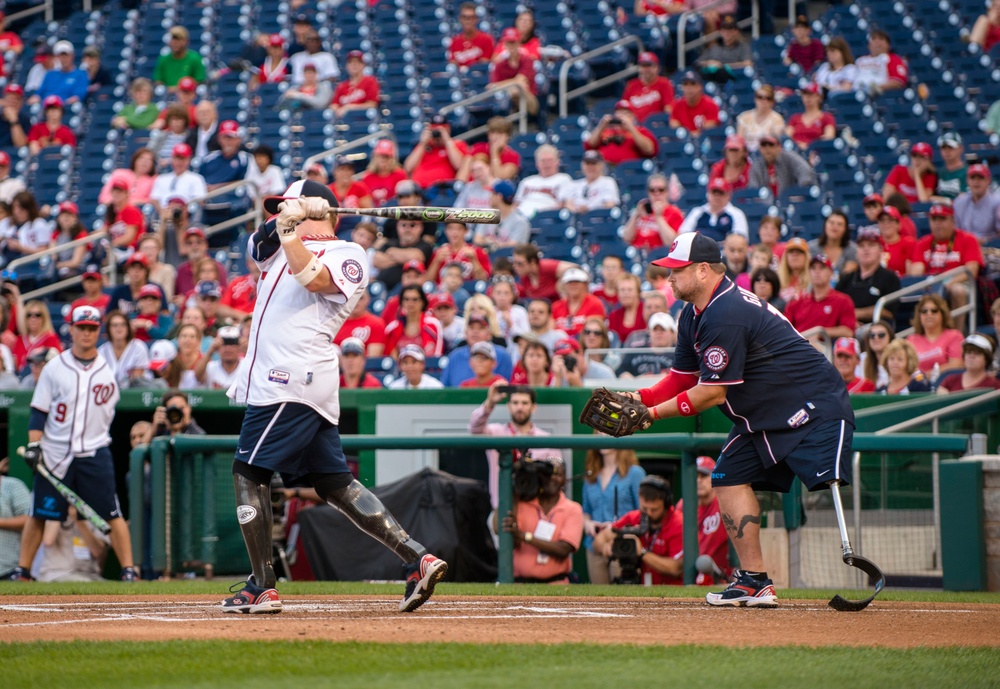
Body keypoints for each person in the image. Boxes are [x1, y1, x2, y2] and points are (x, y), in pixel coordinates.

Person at [224, 179, 447, 613]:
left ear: (320, 213)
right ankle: (418, 558)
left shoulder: (349, 254)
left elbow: (314, 279)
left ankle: (261, 585)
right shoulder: (274, 246)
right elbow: (255, 245)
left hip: (290, 378)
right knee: (334, 483)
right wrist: (286, 220)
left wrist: (295, 230)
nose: (278, 216)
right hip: (294, 380)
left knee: (248, 473)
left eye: (288, 208)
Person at [622, 231, 855, 606]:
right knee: (727, 476)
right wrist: (639, 397)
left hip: (811, 406)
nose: (668, 278)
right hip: (764, 414)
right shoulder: (693, 313)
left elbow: (712, 392)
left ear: (701, 271)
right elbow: (683, 377)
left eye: (675, 270)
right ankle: (754, 581)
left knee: (824, 484)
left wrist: (648, 415)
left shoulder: (726, 313)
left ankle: (755, 581)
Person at [5, 306, 138, 583]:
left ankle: (128, 569)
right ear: (72, 329)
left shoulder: (107, 370)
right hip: (55, 453)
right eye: (82, 327)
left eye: (91, 328)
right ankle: (23, 570)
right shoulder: (54, 367)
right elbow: (38, 412)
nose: (87, 333)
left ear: (97, 330)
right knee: (39, 512)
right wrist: (34, 446)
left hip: (94, 451)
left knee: (112, 513)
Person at [469, 382, 562, 512]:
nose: (520, 407)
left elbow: (558, 471)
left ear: (533, 407)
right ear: (509, 406)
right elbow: (474, 428)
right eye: (515, 403)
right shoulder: (495, 432)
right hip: (502, 508)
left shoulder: (547, 439)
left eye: (524, 403)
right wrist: (490, 403)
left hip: (536, 509)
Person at [500, 454, 583, 584]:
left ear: (564, 480)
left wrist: (524, 536)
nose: (552, 478)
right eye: (547, 474)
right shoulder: (522, 504)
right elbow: (512, 541)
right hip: (520, 585)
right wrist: (516, 490)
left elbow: (563, 549)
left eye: (558, 474)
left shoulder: (573, 509)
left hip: (556, 585)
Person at [592, 475, 684, 585]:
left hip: (672, 591)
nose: (649, 513)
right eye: (644, 508)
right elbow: (600, 539)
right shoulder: (634, 517)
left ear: (666, 505)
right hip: (644, 587)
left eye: (654, 510)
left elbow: (676, 568)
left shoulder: (678, 523)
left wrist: (642, 553)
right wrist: (605, 547)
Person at [580, 443, 645, 584]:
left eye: (607, 431)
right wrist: (588, 523)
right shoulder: (590, 474)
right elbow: (586, 511)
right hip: (594, 545)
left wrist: (618, 526)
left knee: (623, 597)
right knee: (600, 599)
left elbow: (643, 512)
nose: (603, 438)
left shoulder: (634, 473)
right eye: (599, 433)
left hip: (623, 545)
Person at [908, 203, 984, 319]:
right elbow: (916, 272)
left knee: (957, 290)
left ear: (952, 221)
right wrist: (931, 284)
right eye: (934, 219)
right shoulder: (923, 242)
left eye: (942, 219)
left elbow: (971, 271)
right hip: (930, 284)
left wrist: (946, 284)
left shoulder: (968, 239)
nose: (938, 224)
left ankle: (957, 333)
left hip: (959, 282)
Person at [835, 226, 899, 326]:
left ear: (880, 250)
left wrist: (853, 314)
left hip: (877, 329)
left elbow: (888, 312)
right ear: (856, 252)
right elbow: (835, 306)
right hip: (847, 328)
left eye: (871, 245)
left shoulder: (890, 277)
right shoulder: (846, 278)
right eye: (861, 246)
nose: (866, 249)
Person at [784, 254, 857, 342]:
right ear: (809, 272)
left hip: (825, 348)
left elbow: (848, 331)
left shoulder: (843, 300)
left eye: (822, 268)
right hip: (797, 346)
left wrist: (820, 332)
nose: (817, 272)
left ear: (831, 273)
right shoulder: (796, 301)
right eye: (813, 268)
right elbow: (784, 328)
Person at [440, 313, 513, 385]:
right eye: (471, 327)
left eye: (481, 328)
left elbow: (508, 387)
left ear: (489, 334)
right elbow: (444, 387)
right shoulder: (454, 356)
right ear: (466, 332)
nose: (475, 332)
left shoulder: (502, 355)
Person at [906, 293, 964, 377]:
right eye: (924, 311)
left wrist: (925, 376)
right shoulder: (911, 340)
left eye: (934, 310)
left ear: (942, 314)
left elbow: (956, 366)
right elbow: (906, 369)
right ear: (919, 315)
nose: (929, 314)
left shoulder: (954, 335)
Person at [404, 114, 470, 188]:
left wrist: (447, 141)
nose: (438, 134)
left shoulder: (456, 144)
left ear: (448, 129)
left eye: (442, 129)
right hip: (420, 190)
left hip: (444, 190)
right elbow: (408, 167)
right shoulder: (422, 146)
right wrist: (422, 143)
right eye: (434, 129)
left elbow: (460, 166)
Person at [623, 173, 685, 250]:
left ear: (667, 192)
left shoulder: (674, 212)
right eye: (652, 190)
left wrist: (658, 217)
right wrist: (636, 215)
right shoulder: (644, 209)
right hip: (638, 252)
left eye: (661, 190)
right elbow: (627, 238)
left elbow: (671, 243)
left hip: (659, 255)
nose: (656, 193)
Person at [585, 100, 658, 165]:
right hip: (604, 168)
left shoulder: (640, 131)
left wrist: (631, 128)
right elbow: (590, 145)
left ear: (632, 116)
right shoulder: (606, 131)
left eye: (625, 113)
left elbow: (649, 150)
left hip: (628, 170)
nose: (621, 115)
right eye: (619, 112)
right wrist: (601, 126)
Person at [677, 178, 749, 243]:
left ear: (728, 195)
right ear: (708, 194)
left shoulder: (736, 214)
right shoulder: (698, 211)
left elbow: (741, 240)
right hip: (698, 252)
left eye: (721, 193)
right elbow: (682, 235)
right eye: (714, 192)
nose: (717, 196)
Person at [488, 27, 539, 116]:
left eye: (514, 43)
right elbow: (492, 86)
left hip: (529, 99)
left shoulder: (527, 60)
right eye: (509, 43)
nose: (511, 46)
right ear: (504, 44)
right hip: (507, 99)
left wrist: (504, 85)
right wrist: (515, 84)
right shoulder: (500, 64)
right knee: (509, 95)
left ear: (519, 43)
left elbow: (521, 80)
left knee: (518, 91)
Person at [512, 145, 573, 218]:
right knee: (495, 215)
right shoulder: (526, 181)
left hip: (545, 217)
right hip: (521, 216)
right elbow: (515, 205)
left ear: (557, 162)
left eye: (550, 160)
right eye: (543, 161)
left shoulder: (564, 179)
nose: (547, 164)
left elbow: (563, 205)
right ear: (537, 164)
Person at [384, 285, 444, 357]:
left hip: (428, 367)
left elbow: (437, 354)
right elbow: (389, 357)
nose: (410, 303)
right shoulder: (392, 328)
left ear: (422, 302)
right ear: (401, 302)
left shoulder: (433, 324)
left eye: (415, 299)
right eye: (406, 299)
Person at [748, 134, 816, 198]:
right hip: (766, 203)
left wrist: (800, 191)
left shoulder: (789, 157)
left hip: (789, 200)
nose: (767, 148)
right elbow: (754, 188)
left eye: (771, 145)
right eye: (764, 145)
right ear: (760, 148)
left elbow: (805, 170)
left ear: (779, 147)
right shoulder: (757, 165)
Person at [98, 310, 151, 388]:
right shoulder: (102, 350)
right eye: (115, 325)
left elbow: (137, 379)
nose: (119, 328)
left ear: (128, 328)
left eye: (123, 325)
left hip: (135, 392)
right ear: (108, 329)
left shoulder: (138, 347)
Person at [617, 311, 677, 378]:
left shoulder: (678, 354)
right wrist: (632, 380)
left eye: (663, 329)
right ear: (649, 332)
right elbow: (620, 370)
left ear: (672, 332)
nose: (658, 333)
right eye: (655, 329)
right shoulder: (637, 351)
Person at [695, 14, 753, 83]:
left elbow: (748, 63)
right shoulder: (715, 47)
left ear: (736, 31)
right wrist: (709, 63)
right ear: (720, 32)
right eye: (724, 30)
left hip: (733, 79)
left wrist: (724, 66)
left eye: (730, 30)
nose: (727, 33)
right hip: (713, 80)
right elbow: (698, 62)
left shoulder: (742, 47)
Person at [854, 28, 909, 96]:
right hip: (855, 93)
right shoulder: (860, 60)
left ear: (888, 45)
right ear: (868, 45)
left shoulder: (893, 59)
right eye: (874, 39)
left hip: (879, 95)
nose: (877, 42)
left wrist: (876, 87)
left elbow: (898, 82)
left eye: (881, 39)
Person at [621, 51, 674, 122]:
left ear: (657, 67)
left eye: (649, 65)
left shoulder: (664, 83)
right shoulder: (632, 84)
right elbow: (623, 108)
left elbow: (668, 109)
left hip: (656, 125)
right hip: (634, 126)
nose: (646, 69)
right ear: (639, 68)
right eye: (643, 66)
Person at [552, 268, 606, 337]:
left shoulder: (595, 303)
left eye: (577, 281)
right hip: (559, 344)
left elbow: (593, 331)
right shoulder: (556, 306)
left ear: (585, 284)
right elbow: (550, 329)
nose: (573, 285)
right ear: (564, 285)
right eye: (569, 282)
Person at [954, 164, 1000, 245]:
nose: (976, 182)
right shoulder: (959, 202)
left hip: (991, 248)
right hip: (964, 247)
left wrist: (985, 240)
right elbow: (954, 231)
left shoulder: (997, 202)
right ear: (967, 180)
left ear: (988, 180)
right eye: (972, 178)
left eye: (980, 178)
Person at [33, 41, 88, 106]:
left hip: (65, 109)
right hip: (46, 108)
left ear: (72, 56)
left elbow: (77, 97)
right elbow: (38, 95)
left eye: (66, 55)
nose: (64, 59)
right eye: (61, 56)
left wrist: (57, 105)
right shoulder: (50, 74)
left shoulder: (81, 75)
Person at [669, 70, 720, 136]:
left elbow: (708, 130)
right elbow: (674, 127)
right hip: (683, 142)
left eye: (693, 83)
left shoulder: (710, 104)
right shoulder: (677, 105)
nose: (689, 87)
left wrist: (688, 135)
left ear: (700, 87)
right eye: (685, 84)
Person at [736, 85, 785, 154]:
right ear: (755, 99)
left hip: (767, 155)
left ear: (772, 102)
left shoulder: (777, 119)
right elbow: (739, 142)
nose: (763, 101)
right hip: (746, 155)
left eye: (768, 98)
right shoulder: (744, 117)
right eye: (760, 97)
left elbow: (774, 143)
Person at [786, 83, 836, 150]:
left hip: (816, 152)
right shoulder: (795, 118)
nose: (807, 97)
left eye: (810, 94)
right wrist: (798, 144)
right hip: (795, 152)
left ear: (819, 97)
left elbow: (829, 137)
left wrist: (809, 145)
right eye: (804, 94)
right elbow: (787, 136)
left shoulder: (827, 117)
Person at [332, 51, 379, 118]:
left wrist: (349, 107)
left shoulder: (370, 81)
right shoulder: (342, 86)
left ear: (363, 65)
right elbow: (334, 105)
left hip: (364, 120)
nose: (354, 65)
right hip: (346, 122)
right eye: (351, 62)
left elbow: (372, 104)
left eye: (358, 62)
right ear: (347, 66)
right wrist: (337, 110)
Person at [362, 140, 409, 207]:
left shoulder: (400, 175)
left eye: (386, 156)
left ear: (392, 158)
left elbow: (404, 198)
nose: (383, 159)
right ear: (374, 157)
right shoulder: (368, 177)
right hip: (374, 213)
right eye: (380, 156)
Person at [448, 3, 494, 68]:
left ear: (476, 19)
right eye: (465, 17)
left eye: (471, 17)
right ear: (460, 19)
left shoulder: (486, 39)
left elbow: (484, 64)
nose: (468, 21)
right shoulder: (455, 41)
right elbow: (453, 63)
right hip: (461, 76)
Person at [607, 274, 646, 343]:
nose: (626, 293)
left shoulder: (647, 310)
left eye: (630, 290)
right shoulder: (614, 316)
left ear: (638, 292)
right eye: (622, 290)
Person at [861, 320, 894, 388]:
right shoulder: (862, 359)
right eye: (872, 335)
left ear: (890, 338)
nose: (876, 338)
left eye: (881, 335)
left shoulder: (898, 359)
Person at [0, 85, 30, 152]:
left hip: (14, 156)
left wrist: (14, 121)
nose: (13, 102)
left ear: (21, 103)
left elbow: (21, 146)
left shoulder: (25, 120)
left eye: (17, 99)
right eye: (10, 99)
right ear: (4, 100)